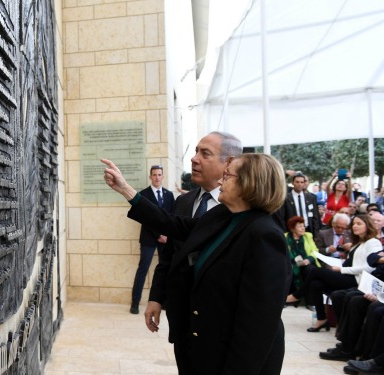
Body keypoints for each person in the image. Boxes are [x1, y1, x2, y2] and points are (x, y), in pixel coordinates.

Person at [102, 153, 290, 375]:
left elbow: (256, 327)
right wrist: (127, 191)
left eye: (228, 176)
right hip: (203, 347)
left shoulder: (264, 235)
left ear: (249, 183)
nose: (221, 181)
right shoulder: (224, 215)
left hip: (232, 360)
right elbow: (175, 225)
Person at [143, 131, 243, 370]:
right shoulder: (184, 202)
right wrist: (157, 297)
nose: (194, 159)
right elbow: (169, 257)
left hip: (220, 329)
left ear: (228, 163)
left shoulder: (240, 210)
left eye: (205, 153)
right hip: (183, 322)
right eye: (196, 151)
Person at [287, 215, 379, 331]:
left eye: (359, 224)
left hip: (359, 280)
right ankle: (321, 319)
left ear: (368, 225)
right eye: (354, 224)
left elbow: (370, 267)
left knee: (315, 271)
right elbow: (352, 262)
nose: (355, 226)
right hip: (349, 275)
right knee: (315, 284)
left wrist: (341, 269)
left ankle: (297, 295)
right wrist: (341, 264)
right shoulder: (357, 242)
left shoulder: (373, 242)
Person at [130, 165, 175, 314]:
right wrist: (158, 235)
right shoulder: (143, 195)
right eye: (154, 175)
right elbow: (145, 219)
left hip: (166, 239)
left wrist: (167, 235)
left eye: (159, 174)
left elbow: (172, 218)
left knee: (166, 269)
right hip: (149, 238)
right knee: (143, 269)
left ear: (163, 176)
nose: (157, 177)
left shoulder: (169, 195)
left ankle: (165, 302)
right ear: (150, 177)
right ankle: (135, 302)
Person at [285, 216, 321, 300]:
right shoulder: (285, 237)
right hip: (291, 263)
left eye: (303, 226)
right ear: (292, 228)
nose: (303, 228)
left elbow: (315, 250)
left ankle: (310, 300)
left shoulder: (308, 236)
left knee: (309, 270)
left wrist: (308, 259)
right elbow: (284, 253)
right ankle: (285, 297)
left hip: (307, 262)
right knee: (286, 269)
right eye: (300, 226)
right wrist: (299, 262)